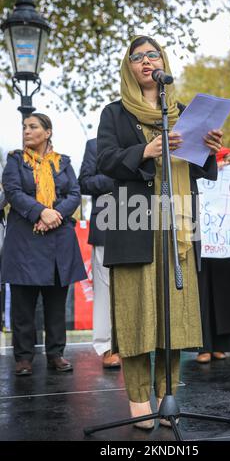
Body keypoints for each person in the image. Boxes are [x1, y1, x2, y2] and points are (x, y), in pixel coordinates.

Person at [96, 35, 222, 429]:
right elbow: (104, 160)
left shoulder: (182, 112)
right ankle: (138, 399)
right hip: (134, 224)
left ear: (163, 62)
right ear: (129, 67)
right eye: (139, 57)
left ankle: (168, 394)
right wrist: (144, 152)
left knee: (173, 316)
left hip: (176, 225)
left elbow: (200, 169)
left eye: (154, 55)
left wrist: (210, 149)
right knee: (136, 318)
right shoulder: (114, 113)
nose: (147, 61)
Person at [2, 113, 87, 376]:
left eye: (33, 126)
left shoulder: (63, 162)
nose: (27, 131)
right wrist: (40, 212)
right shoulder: (15, 160)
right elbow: (13, 192)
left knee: (55, 304)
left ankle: (56, 354)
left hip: (58, 239)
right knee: (23, 305)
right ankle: (24, 358)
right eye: (25, 127)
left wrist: (54, 216)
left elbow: (74, 193)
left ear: (47, 132)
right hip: (24, 241)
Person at [196, 147, 230, 363]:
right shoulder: (194, 158)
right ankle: (203, 345)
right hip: (203, 239)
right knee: (202, 292)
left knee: (225, 293)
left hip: (226, 242)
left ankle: (223, 344)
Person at [78, 138, 121, 369]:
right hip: (105, 224)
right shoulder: (94, 145)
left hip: (140, 221)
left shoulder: (144, 142)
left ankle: (137, 344)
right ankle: (107, 347)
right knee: (104, 288)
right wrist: (117, 178)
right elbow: (83, 183)